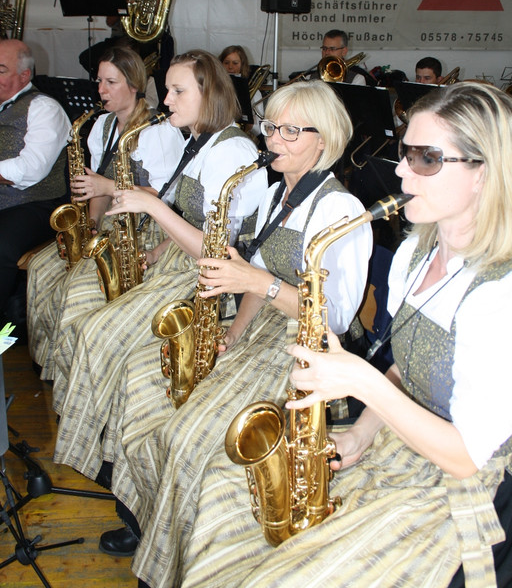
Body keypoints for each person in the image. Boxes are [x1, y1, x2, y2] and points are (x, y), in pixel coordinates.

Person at [178, 81, 512, 588]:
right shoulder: (414, 254)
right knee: (226, 492)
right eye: (405, 154)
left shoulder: (500, 292)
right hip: (396, 440)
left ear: (484, 172)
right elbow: (406, 368)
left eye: (426, 159)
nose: (400, 172)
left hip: (462, 486)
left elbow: (467, 457)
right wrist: (361, 432)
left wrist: (361, 381)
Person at [101, 80, 372, 584]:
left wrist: (258, 283)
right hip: (262, 332)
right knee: (149, 384)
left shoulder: (342, 211)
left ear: (324, 139)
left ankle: (186, 558)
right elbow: (253, 281)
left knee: (190, 436)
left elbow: (332, 318)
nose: (273, 139)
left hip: (308, 352)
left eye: (291, 131)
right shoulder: (276, 192)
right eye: (271, 127)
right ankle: (148, 521)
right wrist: (233, 337)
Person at [50, 50, 268, 493]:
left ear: (209, 93)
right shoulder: (202, 140)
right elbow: (197, 220)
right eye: (167, 89)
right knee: (97, 332)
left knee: (101, 336)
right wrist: (157, 250)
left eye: (177, 91)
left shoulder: (232, 151)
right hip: (177, 262)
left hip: (207, 281)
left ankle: (107, 460)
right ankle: (102, 449)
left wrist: (152, 208)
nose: (165, 99)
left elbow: (217, 250)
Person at [26, 45, 185, 380]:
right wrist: (92, 224)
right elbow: (96, 187)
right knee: (41, 268)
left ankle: (78, 376)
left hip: (147, 227)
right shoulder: (102, 125)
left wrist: (107, 187)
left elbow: (166, 196)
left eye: (111, 82)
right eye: (99, 81)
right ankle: (48, 364)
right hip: (111, 221)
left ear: (134, 84)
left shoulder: (159, 130)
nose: (101, 90)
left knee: (75, 289)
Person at [0, 39, 70, 325]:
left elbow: (32, 168)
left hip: (38, 204)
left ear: (24, 75)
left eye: (1, 70)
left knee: (1, 244)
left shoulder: (44, 108)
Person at [219, 44, 261, 136]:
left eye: (235, 63)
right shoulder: (214, 89)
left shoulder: (255, 93)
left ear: (242, 65)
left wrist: (249, 125)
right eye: (226, 63)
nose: (230, 67)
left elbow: (259, 130)